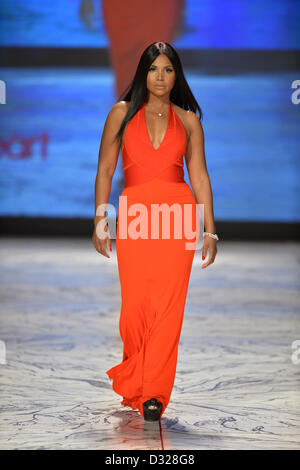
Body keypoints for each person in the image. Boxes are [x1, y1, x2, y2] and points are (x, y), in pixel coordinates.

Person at [92, 41, 218, 422]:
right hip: (135, 217)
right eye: (153, 69)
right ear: (142, 73)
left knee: (169, 306)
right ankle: (136, 376)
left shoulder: (189, 121)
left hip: (177, 216)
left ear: (176, 74)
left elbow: (199, 175)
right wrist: (100, 219)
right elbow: (105, 170)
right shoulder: (121, 114)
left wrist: (209, 230)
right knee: (135, 307)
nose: (160, 77)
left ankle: (155, 393)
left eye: (167, 69)